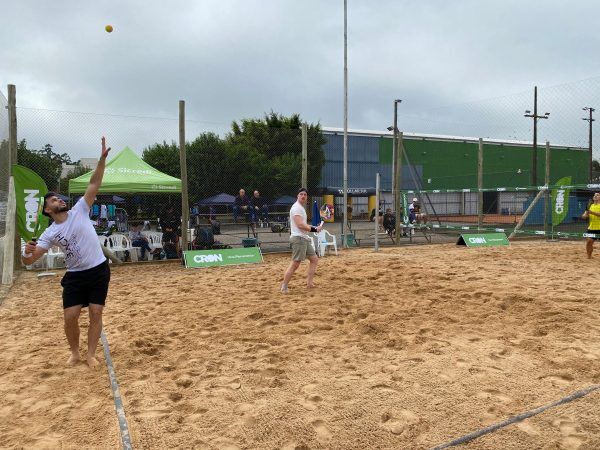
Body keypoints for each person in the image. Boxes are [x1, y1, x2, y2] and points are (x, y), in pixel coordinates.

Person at [22, 137, 112, 369]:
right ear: (47, 209)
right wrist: (25, 253)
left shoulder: (80, 209)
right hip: (75, 276)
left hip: (98, 270)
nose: (59, 200)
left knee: (96, 311)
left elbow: (94, 183)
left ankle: (91, 354)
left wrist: (101, 160)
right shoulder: (49, 233)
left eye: (59, 198)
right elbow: (30, 260)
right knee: (70, 317)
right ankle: (74, 353)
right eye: (54, 200)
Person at [280, 188, 323, 293]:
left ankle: (309, 283)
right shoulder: (296, 208)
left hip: (304, 238)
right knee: (295, 264)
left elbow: (303, 225)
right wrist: (314, 229)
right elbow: (300, 225)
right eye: (301, 194)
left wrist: (314, 227)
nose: (303, 196)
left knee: (314, 259)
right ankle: (284, 286)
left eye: (305, 194)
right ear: (297, 196)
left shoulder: (301, 208)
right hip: (298, 238)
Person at [582, 192, 600, 259]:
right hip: (591, 228)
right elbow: (583, 216)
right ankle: (589, 256)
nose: (595, 196)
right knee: (589, 242)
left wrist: (592, 212)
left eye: (597, 195)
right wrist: (585, 215)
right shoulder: (590, 206)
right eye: (594, 195)